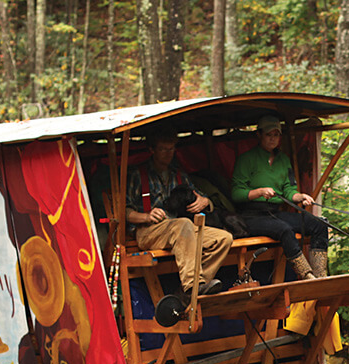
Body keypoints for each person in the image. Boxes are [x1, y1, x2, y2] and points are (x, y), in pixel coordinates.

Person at [127, 130, 234, 303]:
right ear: (152, 150)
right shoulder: (137, 174)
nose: (168, 153)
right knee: (183, 223)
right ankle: (192, 285)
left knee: (223, 238)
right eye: (163, 149)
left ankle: (188, 292)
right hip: (148, 231)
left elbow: (202, 197)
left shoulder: (178, 175)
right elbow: (124, 212)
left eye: (171, 149)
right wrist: (146, 217)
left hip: (180, 231)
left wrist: (205, 201)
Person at [231, 115, 329, 281]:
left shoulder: (283, 160)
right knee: (284, 229)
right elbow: (236, 193)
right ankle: (306, 275)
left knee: (319, 224)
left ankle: (320, 275)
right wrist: (259, 192)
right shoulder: (247, 159)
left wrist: (301, 197)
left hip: (275, 212)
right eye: (269, 135)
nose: (273, 139)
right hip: (251, 215)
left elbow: (289, 191)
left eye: (276, 135)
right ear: (259, 135)